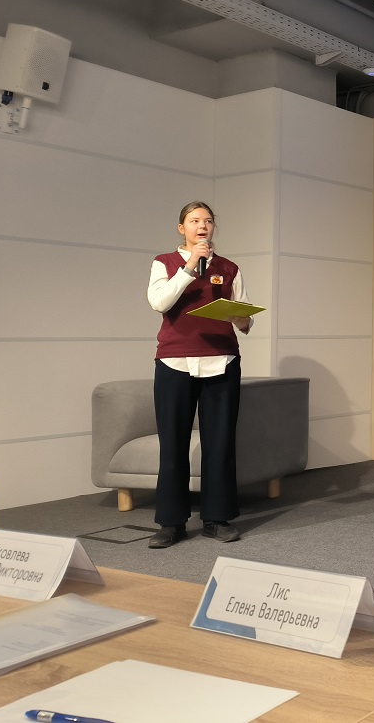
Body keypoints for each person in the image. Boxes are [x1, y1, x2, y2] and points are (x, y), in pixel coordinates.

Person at [146, 201, 253, 548]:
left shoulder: (229, 268)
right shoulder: (164, 263)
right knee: (172, 444)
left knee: (220, 443)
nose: (202, 226)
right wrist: (190, 266)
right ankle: (171, 523)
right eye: (194, 221)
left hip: (221, 360)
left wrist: (240, 318)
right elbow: (160, 302)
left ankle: (217, 519)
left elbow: (245, 320)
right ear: (182, 228)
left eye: (207, 221)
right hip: (174, 362)